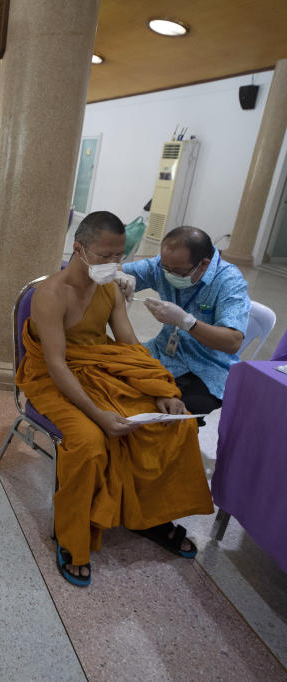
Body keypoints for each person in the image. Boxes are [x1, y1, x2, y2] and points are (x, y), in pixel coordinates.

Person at [17, 211, 213, 587]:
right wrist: (99, 414)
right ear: (79, 249)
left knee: (174, 427)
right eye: (106, 255)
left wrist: (162, 391)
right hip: (54, 379)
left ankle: (152, 517)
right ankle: (71, 536)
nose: (114, 265)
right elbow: (56, 366)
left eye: (119, 255)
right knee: (91, 442)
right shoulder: (50, 295)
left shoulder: (108, 288)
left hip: (101, 368)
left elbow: (128, 346)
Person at [117, 226, 250, 423]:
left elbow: (233, 341)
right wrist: (118, 275)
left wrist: (187, 322)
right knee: (116, 392)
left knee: (172, 420)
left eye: (177, 271)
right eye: (165, 268)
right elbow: (117, 270)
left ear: (204, 264)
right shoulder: (164, 266)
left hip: (207, 368)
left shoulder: (228, 281)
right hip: (163, 353)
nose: (168, 274)